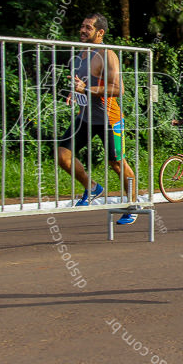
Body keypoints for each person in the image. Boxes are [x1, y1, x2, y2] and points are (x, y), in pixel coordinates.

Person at [55, 14, 138, 225]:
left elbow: (119, 89)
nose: (82, 30)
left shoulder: (107, 55)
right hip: (85, 116)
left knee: (117, 163)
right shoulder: (80, 53)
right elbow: (82, 82)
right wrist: (76, 92)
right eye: (82, 26)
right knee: (62, 156)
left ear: (100, 32)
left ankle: (133, 203)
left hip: (108, 118)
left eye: (88, 28)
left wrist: (87, 89)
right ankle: (92, 188)